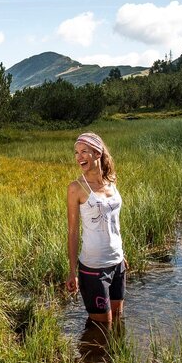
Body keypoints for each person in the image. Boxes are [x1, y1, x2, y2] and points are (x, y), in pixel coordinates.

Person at [66, 132, 125, 326]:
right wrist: (72, 271)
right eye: (76, 152)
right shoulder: (76, 188)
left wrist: (121, 255)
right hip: (93, 267)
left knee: (117, 320)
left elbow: (114, 222)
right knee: (102, 328)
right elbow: (73, 232)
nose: (79, 157)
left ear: (97, 153)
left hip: (117, 264)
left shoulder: (111, 182)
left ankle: (116, 357)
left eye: (84, 151)